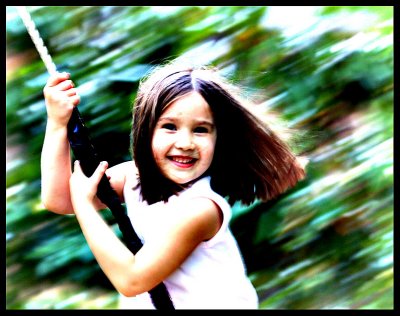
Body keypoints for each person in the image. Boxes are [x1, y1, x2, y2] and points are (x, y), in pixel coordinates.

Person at [41, 59, 306, 309]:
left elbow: (132, 280)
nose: (185, 143)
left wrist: (85, 207)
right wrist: (57, 123)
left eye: (200, 130)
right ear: (147, 130)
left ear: (218, 139)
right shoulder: (134, 177)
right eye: (170, 126)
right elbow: (59, 199)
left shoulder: (201, 209)